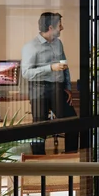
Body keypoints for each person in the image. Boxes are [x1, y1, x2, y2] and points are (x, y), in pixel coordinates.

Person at [21, 11, 74, 151]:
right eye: (60, 25)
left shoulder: (58, 43)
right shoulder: (30, 47)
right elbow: (26, 73)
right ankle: (39, 162)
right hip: (39, 89)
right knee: (40, 128)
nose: (62, 28)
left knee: (73, 122)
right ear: (51, 27)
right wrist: (50, 68)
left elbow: (64, 65)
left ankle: (71, 156)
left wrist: (67, 86)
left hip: (58, 88)